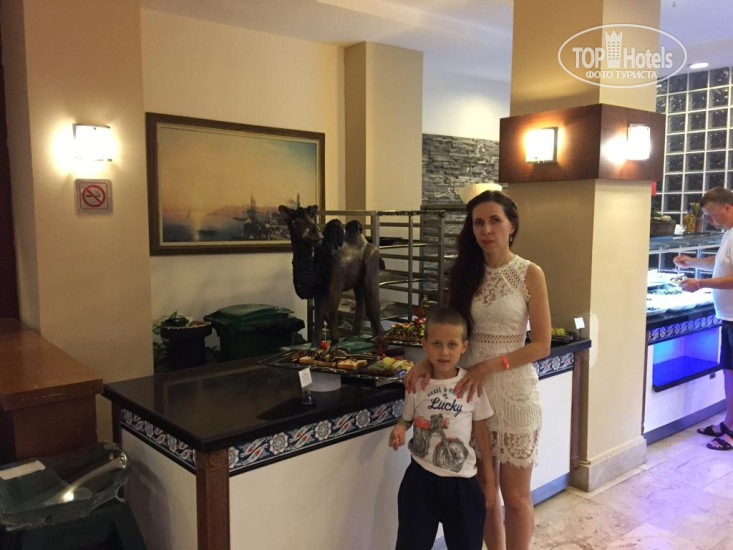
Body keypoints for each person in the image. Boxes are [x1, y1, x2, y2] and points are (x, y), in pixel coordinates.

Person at [403, 190, 551, 550]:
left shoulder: (530, 273)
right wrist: (424, 361)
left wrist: (490, 365)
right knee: (485, 491)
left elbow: (541, 345)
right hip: (468, 396)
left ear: (511, 226)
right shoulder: (464, 273)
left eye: (494, 221)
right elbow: (446, 332)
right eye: (478, 223)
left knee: (515, 498)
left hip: (514, 395)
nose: (486, 230)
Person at [389, 307, 495, 550]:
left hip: (463, 485)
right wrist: (399, 429)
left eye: (451, 344)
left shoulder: (470, 384)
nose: (444, 352)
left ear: (463, 347)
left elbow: (481, 431)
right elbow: (406, 419)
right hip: (420, 480)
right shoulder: (418, 383)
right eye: (437, 344)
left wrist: (489, 479)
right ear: (425, 345)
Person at [674, 186, 733, 451]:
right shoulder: (729, 233)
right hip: (728, 317)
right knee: (729, 372)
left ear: (727, 207)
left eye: (711, 214)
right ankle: (728, 423)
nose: (709, 220)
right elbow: (720, 262)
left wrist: (699, 284)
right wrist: (691, 262)